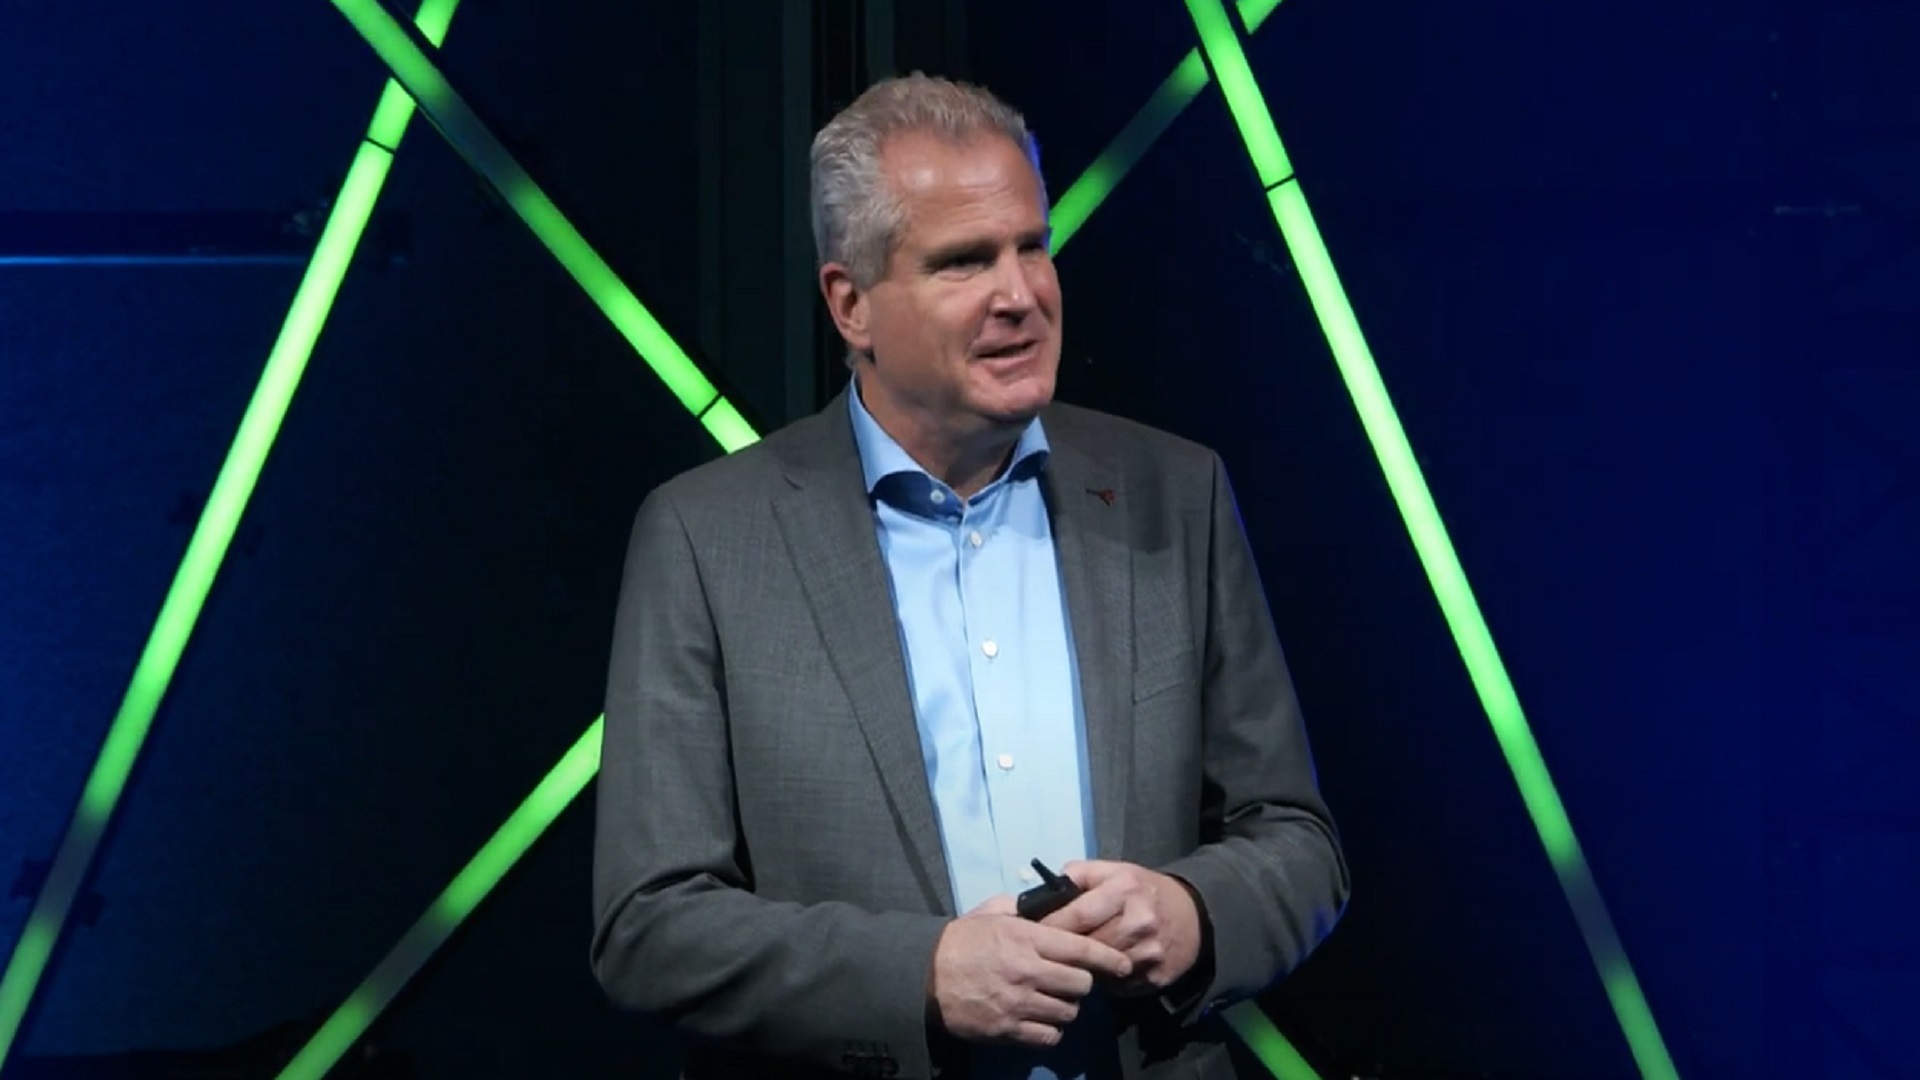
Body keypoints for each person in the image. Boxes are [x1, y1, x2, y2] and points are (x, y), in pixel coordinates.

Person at [592, 73, 1349, 1080]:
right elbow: (648, 926)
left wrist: (1191, 913)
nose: (1020, 295)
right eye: (963, 262)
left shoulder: (1175, 494)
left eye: (1032, 247)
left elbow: (1298, 842)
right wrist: (922, 975)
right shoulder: (708, 537)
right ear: (851, 304)